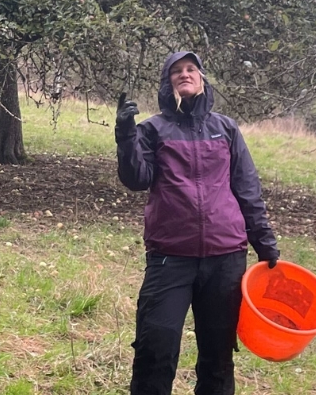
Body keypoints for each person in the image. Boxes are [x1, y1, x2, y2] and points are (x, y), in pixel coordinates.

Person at [115, 51, 280, 394]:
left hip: (226, 258)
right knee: (155, 348)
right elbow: (136, 178)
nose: (184, 74)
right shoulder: (152, 129)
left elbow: (247, 189)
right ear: (167, 82)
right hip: (170, 258)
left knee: (218, 357)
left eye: (191, 69)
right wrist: (126, 134)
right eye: (176, 71)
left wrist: (265, 246)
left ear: (202, 78)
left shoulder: (225, 128)